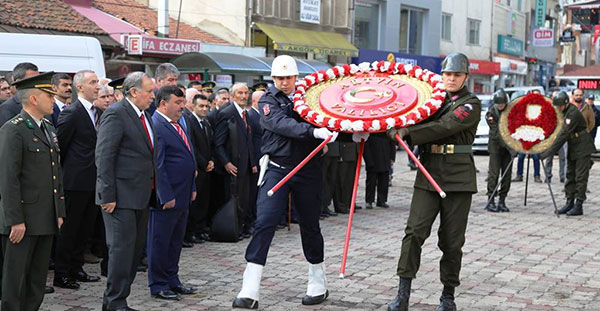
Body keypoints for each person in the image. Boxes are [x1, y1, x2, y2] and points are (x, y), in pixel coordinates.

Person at [232, 55, 338, 309]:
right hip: (277, 169)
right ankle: (250, 286)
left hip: (308, 169)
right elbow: (280, 123)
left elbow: (334, 112)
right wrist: (312, 131)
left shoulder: (310, 97)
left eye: (288, 77)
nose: (284, 82)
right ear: (273, 78)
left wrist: (348, 130)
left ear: (296, 77)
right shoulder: (268, 100)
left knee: (310, 225)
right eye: (279, 77)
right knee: (265, 222)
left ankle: (317, 281)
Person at [386, 52, 481, 311]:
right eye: (447, 74)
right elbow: (407, 114)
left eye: (456, 75)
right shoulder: (432, 101)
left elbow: (445, 127)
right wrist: (391, 122)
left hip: (458, 179)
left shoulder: (471, 104)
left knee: (451, 241)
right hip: (428, 174)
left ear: (465, 77)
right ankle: (403, 294)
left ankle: (447, 295)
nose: (451, 79)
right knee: (414, 233)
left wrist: (408, 132)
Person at [0, 72, 66, 310]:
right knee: (15, 281)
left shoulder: (48, 127)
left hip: (45, 217)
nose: (53, 98)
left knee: (37, 280)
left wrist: (58, 212)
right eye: (49, 94)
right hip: (22, 220)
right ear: (34, 99)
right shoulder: (14, 129)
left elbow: (55, 172)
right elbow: (8, 179)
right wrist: (15, 220)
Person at [96, 72, 157, 311]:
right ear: (133, 92)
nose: (153, 96)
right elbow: (104, 157)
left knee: (133, 252)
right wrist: (107, 195)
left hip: (141, 195)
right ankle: (113, 302)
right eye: (149, 91)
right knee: (121, 252)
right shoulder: (116, 114)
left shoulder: (144, 115)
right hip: (120, 198)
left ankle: (120, 299)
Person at [54, 70, 102, 290]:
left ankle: (76, 267)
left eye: (97, 83)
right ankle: (62, 273)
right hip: (74, 181)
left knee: (85, 228)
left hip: (93, 181)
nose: (98, 87)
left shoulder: (97, 112)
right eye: (92, 83)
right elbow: (59, 147)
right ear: (80, 87)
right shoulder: (72, 113)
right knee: (70, 229)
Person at [148, 85, 197, 300]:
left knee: (176, 241)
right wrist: (165, 195)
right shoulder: (156, 125)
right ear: (163, 103)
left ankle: (172, 279)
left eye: (183, 101)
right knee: (160, 240)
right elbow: (158, 165)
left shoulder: (177, 124)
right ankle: (158, 284)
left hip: (183, 193)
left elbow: (188, 157)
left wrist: (192, 187)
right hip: (167, 197)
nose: (182, 106)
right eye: (178, 102)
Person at [540, 91, 596, 216]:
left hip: (582, 146)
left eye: (560, 107)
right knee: (570, 175)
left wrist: (549, 152)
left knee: (580, 177)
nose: (558, 109)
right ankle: (569, 201)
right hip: (573, 145)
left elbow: (563, 134)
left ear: (565, 104)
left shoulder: (572, 113)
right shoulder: (564, 112)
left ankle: (579, 205)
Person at [214, 83, 258, 239]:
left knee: (245, 199)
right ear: (232, 96)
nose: (244, 96)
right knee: (233, 199)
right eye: (240, 93)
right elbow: (218, 143)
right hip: (232, 166)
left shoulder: (247, 115)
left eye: (246, 93)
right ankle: (234, 229)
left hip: (246, 166)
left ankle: (243, 227)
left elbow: (249, 141)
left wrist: (253, 163)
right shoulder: (227, 114)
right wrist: (226, 163)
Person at [184, 94, 214, 244]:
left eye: (206, 106)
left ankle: (200, 230)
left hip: (207, 169)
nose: (204, 109)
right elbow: (192, 146)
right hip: (198, 168)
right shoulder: (190, 122)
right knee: (194, 203)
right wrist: (203, 163)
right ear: (193, 106)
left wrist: (211, 161)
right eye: (201, 106)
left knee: (204, 202)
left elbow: (211, 145)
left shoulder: (206, 123)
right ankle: (191, 233)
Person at [484, 89, 515, 212]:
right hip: (496, 147)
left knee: (506, 175)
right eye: (499, 104)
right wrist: (509, 147)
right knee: (494, 174)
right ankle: (491, 199)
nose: (501, 107)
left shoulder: (511, 111)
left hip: (508, 150)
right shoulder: (491, 114)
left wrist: (517, 145)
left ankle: (502, 200)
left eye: (503, 104)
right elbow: (497, 133)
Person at [363, 134, 395, 209]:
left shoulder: (387, 128)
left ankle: (382, 200)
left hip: (385, 156)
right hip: (373, 158)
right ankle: (369, 201)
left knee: (384, 181)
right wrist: (368, 160)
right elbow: (366, 145)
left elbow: (392, 142)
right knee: (371, 182)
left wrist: (392, 157)